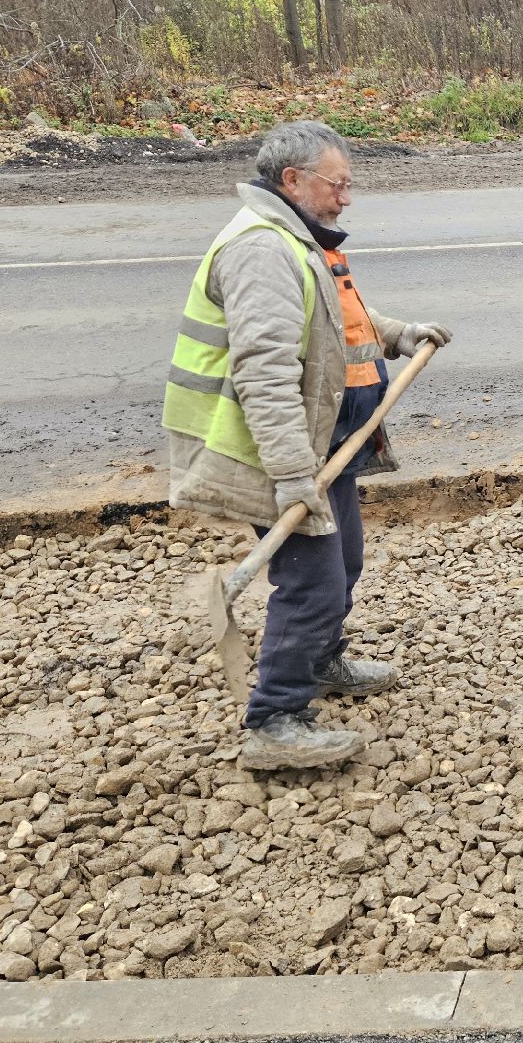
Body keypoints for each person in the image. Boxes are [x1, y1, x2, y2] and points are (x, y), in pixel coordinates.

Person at [163, 120, 450, 770]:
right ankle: (274, 720)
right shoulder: (261, 249)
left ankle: (320, 661)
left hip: (324, 445)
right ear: (293, 181)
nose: (346, 198)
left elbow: (330, 316)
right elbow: (262, 370)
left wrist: (396, 334)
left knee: (343, 563)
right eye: (337, 184)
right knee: (313, 583)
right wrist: (292, 474)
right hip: (280, 453)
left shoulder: (295, 238)